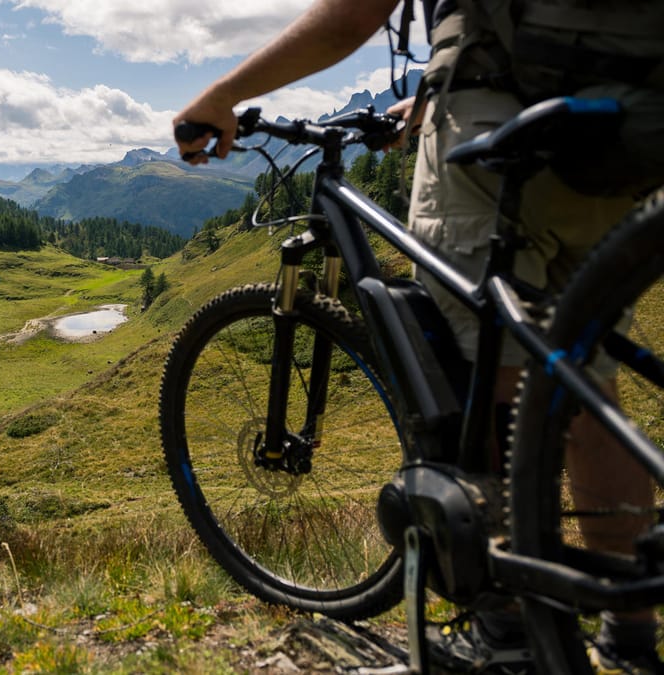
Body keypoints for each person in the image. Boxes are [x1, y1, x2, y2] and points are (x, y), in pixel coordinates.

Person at [174, 1, 659, 672]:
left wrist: (223, 95)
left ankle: (506, 633)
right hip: (619, 129)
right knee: (585, 378)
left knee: (488, 373)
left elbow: (353, 13)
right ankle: (630, 632)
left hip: (497, 129)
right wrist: (432, 92)